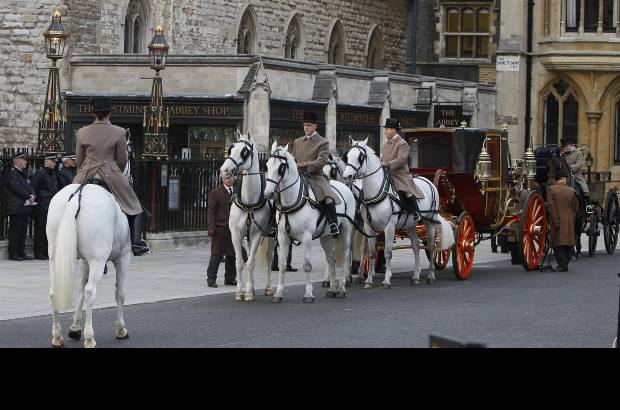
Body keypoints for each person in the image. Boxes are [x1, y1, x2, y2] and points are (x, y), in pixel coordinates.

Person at [73, 97, 149, 256]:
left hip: (85, 173)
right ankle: (137, 244)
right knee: (135, 206)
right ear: (110, 113)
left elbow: (79, 160)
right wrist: (115, 170)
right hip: (111, 172)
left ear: (92, 113)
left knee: (69, 202)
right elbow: (122, 159)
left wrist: (86, 169)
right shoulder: (119, 131)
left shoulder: (82, 132)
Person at [291, 112, 339, 235]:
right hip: (298, 175)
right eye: (304, 125)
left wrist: (305, 165)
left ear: (315, 126)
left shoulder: (323, 142)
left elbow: (322, 160)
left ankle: (333, 222)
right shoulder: (297, 141)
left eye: (309, 125)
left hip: (316, 176)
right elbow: (293, 159)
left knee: (327, 196)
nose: (306, 127)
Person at [380, 118, 424, 215]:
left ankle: (417, 212)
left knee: (406, 190)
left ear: (393, 130)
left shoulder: (402, 143)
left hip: (399, 174)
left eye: (386, 129)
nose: (385, 132)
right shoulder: (385, 145)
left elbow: (400, 160)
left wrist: (386, 164)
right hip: (386, 173)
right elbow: (382, 159)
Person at [207, 174, 238, 288]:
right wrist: (211, 228)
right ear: (222, 179)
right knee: (216, 254)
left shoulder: (237, 192)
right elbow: (211, 212)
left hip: (233, 228)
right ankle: (211, 278)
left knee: (232, 254)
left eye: (231, 178)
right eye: (227, 178)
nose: (229, 180)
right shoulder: (215, 192)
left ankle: (230, 278)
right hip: (220, 228)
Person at [547, 170, 580, 272]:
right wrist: (571, 218)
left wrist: (556, 221)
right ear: (564, 179)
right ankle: (566, 261)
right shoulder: (571, 191)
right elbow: (576, 208)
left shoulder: (551, 189)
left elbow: (552, 208)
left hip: (557, 219)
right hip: (569, 220)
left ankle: (562, 265)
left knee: (557, 244)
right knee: (565, 242)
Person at [6, 152, 35, 261]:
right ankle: (13, 253)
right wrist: (28, 196)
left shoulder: (24, 174)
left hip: (25, 206)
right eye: (24, 160)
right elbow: (16, 188)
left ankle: (21, 252)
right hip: (16, 207)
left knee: (23, 231)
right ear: (17, 161)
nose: (26, 162)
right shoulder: (12, 173)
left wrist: (33, 195)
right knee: (15, 231)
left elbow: (30, 185)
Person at [32, 155, 59, 260]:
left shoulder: (53, 174)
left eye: (55, 162)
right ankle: (38, 252)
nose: (54, 163)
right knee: (40, 230)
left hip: (51, 206)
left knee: (49, 231)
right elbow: (34, 187)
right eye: (53, 161)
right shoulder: (40, 174)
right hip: (42, 206)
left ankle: (46, 251)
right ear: (46, 162)